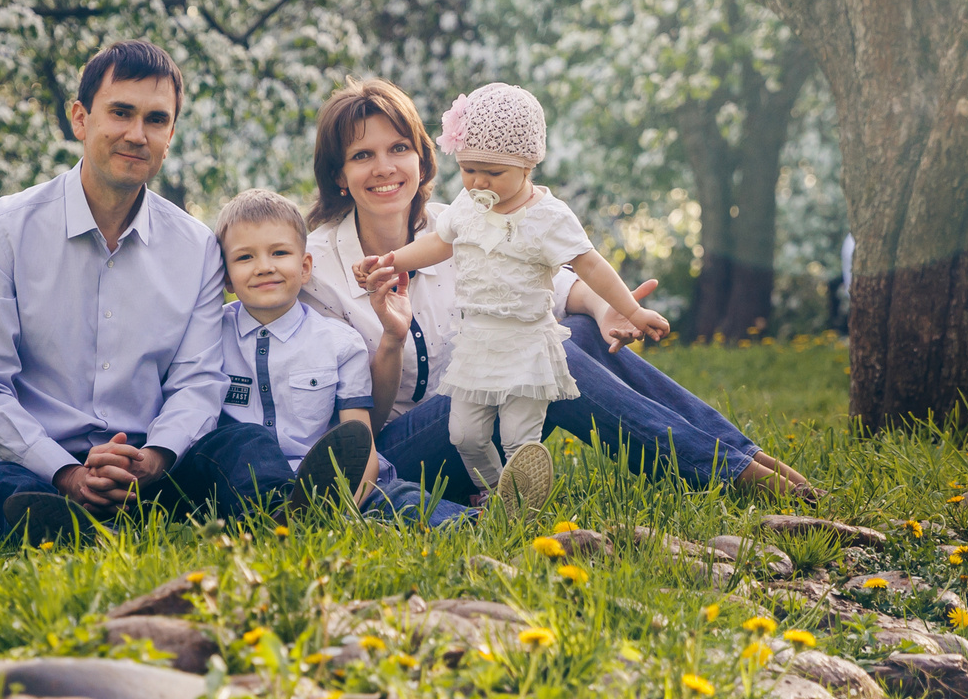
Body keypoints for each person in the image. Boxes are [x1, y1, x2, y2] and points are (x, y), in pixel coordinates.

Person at [300, 78, 817, 504]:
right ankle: (728, 472)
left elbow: (556, 277)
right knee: (544, 359)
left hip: (490, 409)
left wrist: (606, 306)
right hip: (402, 453)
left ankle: (741, 457)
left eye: (398, 148)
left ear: (422, 159)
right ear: (340, 175)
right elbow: (353, 418)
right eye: (363, 155)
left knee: (579, 334)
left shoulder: (456, 220)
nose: (385, 167)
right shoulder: (319, 269)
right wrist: (390, 340)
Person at [0, 41, 345, 546]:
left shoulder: (196, 247)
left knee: (245, 443)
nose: (137, 135)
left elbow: (198, 381)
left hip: (148, 473)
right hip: (33, 467)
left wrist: (154, 457)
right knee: (3, 491)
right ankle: (68, 529)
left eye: (156, 119)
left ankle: (287, 515)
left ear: (170, 134)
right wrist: (67, 473)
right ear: (80, 119)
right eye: (121, 113)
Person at [355, 83, 662, 514]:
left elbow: (590, 265)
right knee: (465, 434)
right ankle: (500, 491)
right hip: (477, 345)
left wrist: (631, 309)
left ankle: (520, 500)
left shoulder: (548, 217)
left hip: (526, 345)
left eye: (492, 172)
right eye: (468, 169)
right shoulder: (468, 205)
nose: (478, 181)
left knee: (520, 436)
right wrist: (391, 261)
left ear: (527, 165)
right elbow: (439, 243)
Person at [209, 188, 377, 504]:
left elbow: (361, 448)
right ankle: (284, 510)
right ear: (226, 279)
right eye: (245, 257)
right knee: (247, 441)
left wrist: (351, 511)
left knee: (402, 498)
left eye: (279, 253)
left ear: (304, 267)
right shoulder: (208, 336)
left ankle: (475, 517)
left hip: (323, 486)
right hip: (239, 485)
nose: (264, 267)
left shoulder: (340, 344)